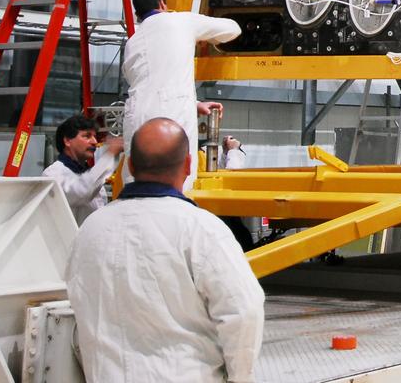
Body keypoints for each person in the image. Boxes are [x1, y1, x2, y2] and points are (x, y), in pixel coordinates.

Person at [67, 118, 264, 382]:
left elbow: (77, 306)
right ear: (188, 165)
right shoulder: (202, 230)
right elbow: (244, 311)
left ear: (130, 165)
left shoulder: (89, 230)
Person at [122, 0, 241, 190]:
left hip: (136, 117)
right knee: (178, 185)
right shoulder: (180, 20)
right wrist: (205, 36)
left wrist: (195, 104)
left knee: (137, 185)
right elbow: (233, 29)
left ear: (137, 14)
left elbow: (151, 84)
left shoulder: (132, 42)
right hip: (172, 116)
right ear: (162, 3)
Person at [42, 115, 123, 225]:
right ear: (67, 141)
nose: (94, 142)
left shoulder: (88, 174)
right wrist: (110, 155)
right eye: (87, 136)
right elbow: (82, 191)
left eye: (94, 136)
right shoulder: (53, 174)